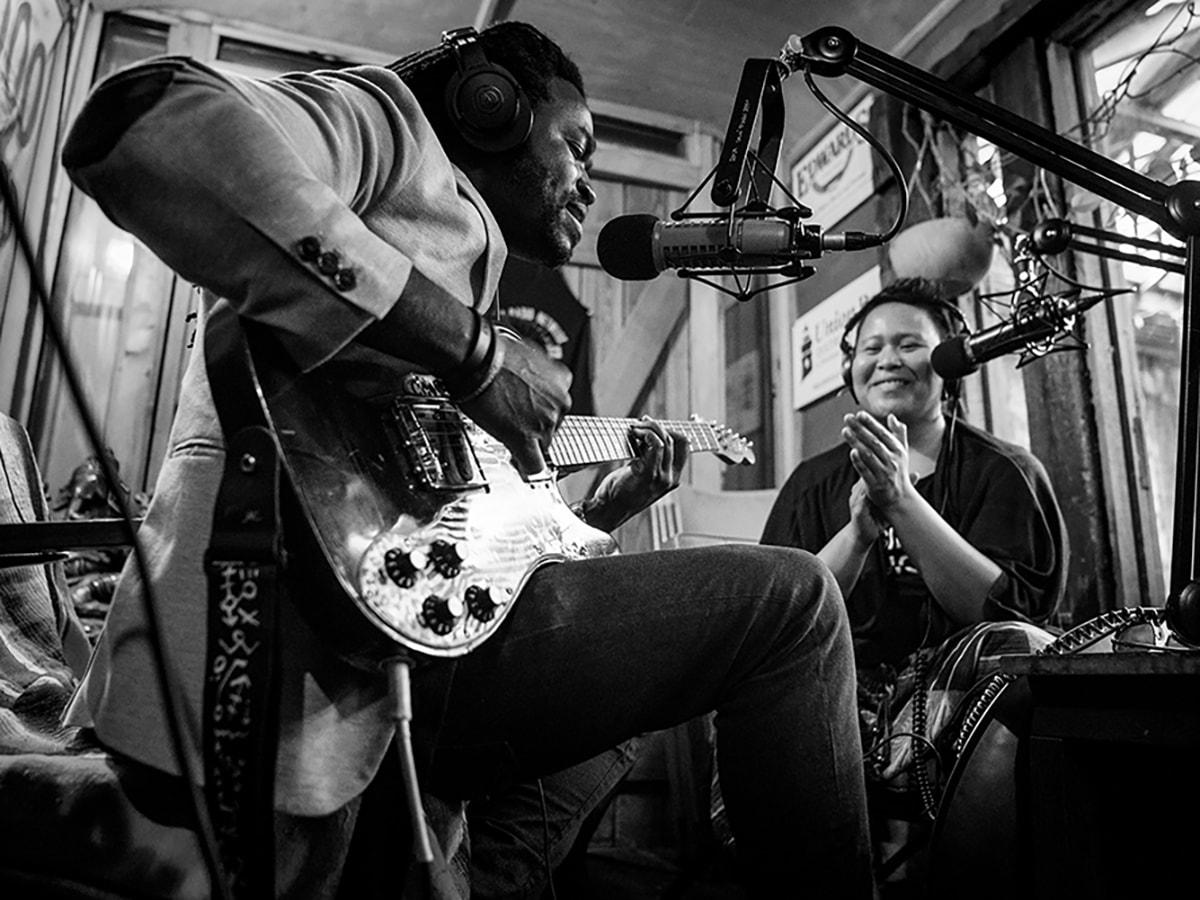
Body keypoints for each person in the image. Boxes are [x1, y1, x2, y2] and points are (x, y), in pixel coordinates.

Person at [58, 20, 874, 899]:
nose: (589, 187)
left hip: (410, 666)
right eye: (578, 147)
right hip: (282, 650)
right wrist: (478, 354)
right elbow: (147, 123)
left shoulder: (473, 279)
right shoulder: (387, 125)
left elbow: (477, 547)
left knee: (616, 727)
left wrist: (602, 510)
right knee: (794, 601)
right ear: (492, 110)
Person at [758, 276, 1068, 885]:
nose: (886, 360)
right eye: (870, 348)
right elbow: (776, 616)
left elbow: (1014, 619)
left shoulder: (1006, 472)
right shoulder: (811, 483)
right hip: (840, 689)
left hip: (965, 702)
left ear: (950, 364)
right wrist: (857, 534)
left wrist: (904, 501)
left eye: (907, 344)